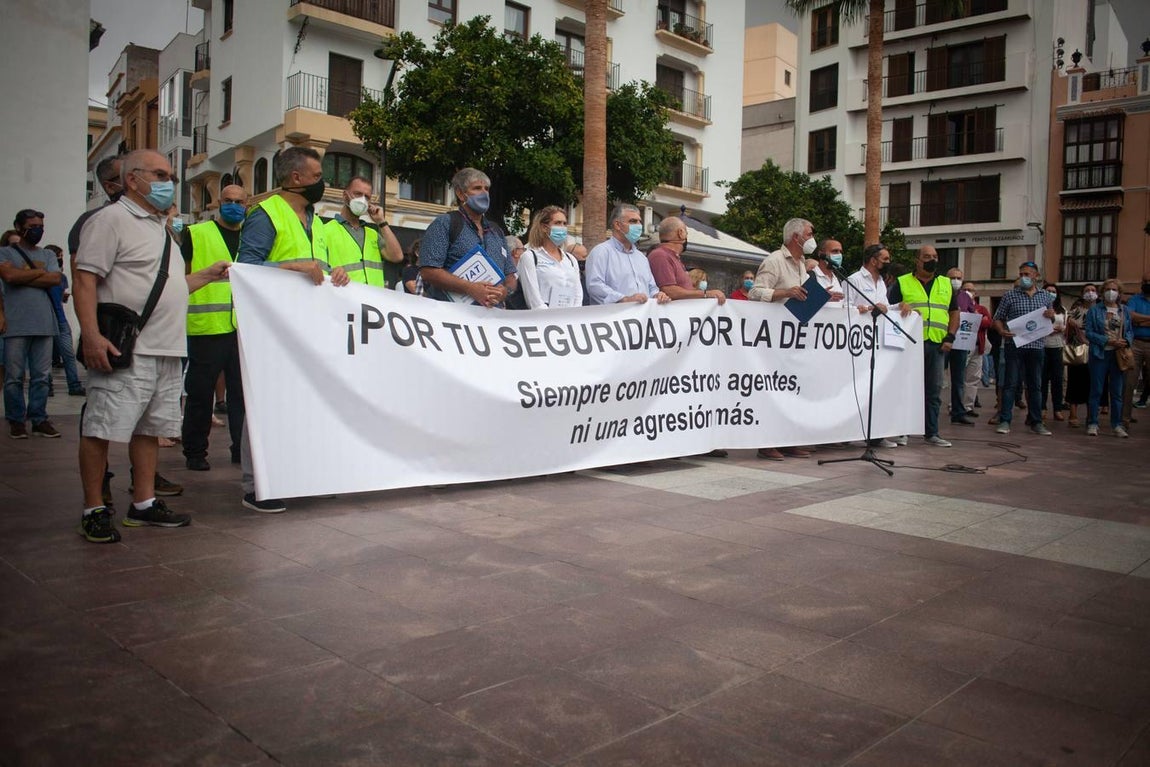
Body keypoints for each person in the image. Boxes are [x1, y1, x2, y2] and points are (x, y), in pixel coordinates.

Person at [74, 150, 231, 543]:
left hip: (168, 349)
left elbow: (172, 286)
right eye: (160, 174)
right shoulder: (110, 221)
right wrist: (91, 335)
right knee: (101, 429)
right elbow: (85, 280)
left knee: (149, 430)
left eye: (170, 177)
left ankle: (143, 503)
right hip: (128, 348)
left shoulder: (163, 230)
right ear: (132, 179)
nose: (168, 182)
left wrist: (207, 276)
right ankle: (94, 507)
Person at [235, 145, 349, 513]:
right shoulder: (265, 214)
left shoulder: (315, 219)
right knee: (266, 405)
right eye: (317, 177)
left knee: (305, 403)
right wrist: (293, 267)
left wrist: (336, 273)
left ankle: (301, 474)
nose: (323, 184)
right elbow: (246, 269)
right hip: (269, 327)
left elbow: (317, 266)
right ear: (296, 178)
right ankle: (257, 487)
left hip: (306, 327)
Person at [179, 184, 248, 472]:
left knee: (242, 395)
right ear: (218, 203)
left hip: (243, 327)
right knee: (200, 393)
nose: (233, 205)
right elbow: (182, 277)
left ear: (247, 206)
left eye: (239, 202)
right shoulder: (196, 233)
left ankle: (240, 449)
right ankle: (195, 451)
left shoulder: (252, 237)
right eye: (227, 201)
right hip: (206, 326)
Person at [748, 218, 818, 459]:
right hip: (772, 339)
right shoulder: (775, 260)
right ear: (796, 237)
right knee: (772, 391)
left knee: (792, 391)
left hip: (794, 338)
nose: (812, 239)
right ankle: (767, 443)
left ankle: (789, 439)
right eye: (809, 234)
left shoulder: (801, 264)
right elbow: (755, 293)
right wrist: (785, 292)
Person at [1, 209, 62, 439]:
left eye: (40, 226)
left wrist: (23, 274)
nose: (37, 230)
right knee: (14, 376)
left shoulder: (46, 254)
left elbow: (55, 278)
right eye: (32, 226)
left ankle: (39, 418)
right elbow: (9, 278)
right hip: (16, 323)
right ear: (19, 227)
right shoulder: (5, 252)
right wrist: (39, 274)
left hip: (44, 323)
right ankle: (17, 420)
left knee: (41, 376)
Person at [890, 245, 960, 447]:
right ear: (917, 260)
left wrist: (950, 337)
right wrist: (900, 307)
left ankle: (932, 432)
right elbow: (891, 309)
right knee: (905, 388)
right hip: (909, 345)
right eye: (927, 256)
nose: (932, 260)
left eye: (935, 256)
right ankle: (902, 430)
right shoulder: (902, 282)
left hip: (937, 344)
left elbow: (954, 312)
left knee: (934, 390)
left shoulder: (946, 283)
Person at [419, 168, 517, 307]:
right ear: (460, 193)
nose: (484, 193)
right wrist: (469, 288)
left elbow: (511, 277)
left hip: (491, 318)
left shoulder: (497, 232)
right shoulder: (445, 223)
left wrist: (504, 292)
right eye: (477, 188)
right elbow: (428, 271)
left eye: (486, 189)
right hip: (454, 316)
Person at [992, 261, 1056, 436]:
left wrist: (1051, 316)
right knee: (1010, 384)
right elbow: (997, 317)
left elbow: (1050, 321)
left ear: (1036, 276)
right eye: (1021, 274)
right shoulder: (1009, 296)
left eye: (1027, 274)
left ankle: (1037, 422)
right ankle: (1005, 420)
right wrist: (1001, 330)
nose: (1024, 278)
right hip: (1014, 345)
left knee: (1035, 385)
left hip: (1036, 346)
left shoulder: (1045, 297)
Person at [323, 176, 404, 288]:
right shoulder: (326, 230)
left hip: (373, 300)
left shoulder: (373, 234)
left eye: (367, 197)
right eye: (357, 194)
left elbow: (397, 256)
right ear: (345, 195)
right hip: (344, 298)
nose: (362, 200)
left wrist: (381, 222)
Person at [585, 204, 670, 306]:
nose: (639, 226)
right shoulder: (601, 252)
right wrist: (623, 299)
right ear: (617, 225)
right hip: (613, 318)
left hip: (641, 318)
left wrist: (657, 295)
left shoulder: (641, 258)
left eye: (640, 222)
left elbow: (651, 287)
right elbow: (594, 286)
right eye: (633, 221)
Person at [1084, 278, 1133, 438]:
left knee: (1117, 392)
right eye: (1108, 289)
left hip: (1118, 355)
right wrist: (1107, 340)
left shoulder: (1124, 311)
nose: (1111, 292)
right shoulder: (1095, 310)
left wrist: (1126, 341)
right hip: (1100, 353)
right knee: (1096, 390)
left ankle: (1117, 424)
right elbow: (1089, 332)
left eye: (1114, 289)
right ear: (1103, 291)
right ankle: (1092, 423)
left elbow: (1130, 331)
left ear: (1119, 293)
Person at [648, 216, 726, 305]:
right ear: (681, 233)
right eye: (686, 233)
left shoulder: (673, 257)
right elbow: (669, 291)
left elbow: (682, 289)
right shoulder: (660, 255)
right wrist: (706, 294)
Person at [516, 206, 583, 309]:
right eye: (557, 223)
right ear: (544, 227)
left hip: (570, 318)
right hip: (544, 319)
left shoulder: (571, 259)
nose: (562, 227)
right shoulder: (530, 257)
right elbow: (534, 300)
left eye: (564, 223)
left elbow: (578, 294)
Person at [44, 244, 85, 397]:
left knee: (68, 354)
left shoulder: (62, 278)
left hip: (60, 318)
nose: (60, 260)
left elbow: (59, 297)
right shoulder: (44, 277)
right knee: (45, 357)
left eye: (61, 257)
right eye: (58, 257)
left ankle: (74, 385)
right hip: (47, 319)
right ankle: (47, 386)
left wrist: (63, 297)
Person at [945, 267, 976, 426]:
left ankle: (958, 412)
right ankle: (927, 412)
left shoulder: (966, 297)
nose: (955, 281)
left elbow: (972, 316)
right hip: (942, 341)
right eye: (952, 278)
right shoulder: (941, 292)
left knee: (958, 379)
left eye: (958, 278)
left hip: (961, 343)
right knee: (935, 379)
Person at [1120, 272, 1150, 428]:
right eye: (1145, 281)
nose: (1147, 283)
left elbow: (1137, 319)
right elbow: (1130, 316)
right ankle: (1124, 419)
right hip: (1136, 344)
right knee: (1129, 383)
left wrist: (1141, 321)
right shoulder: (1135, 299)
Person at [1064, 285, 1096, 427]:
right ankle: (1073, 414)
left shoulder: (1100, 311)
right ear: (1082, 294)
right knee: (1074, 381)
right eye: (1087, 291)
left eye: (1093, 290)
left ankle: (1091, 415)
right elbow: (1069, 327)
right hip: (1077, 350)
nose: (1090, 293)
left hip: (1096, 351)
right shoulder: (1075, 311)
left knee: (1092, 383)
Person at [960, 281, 992, 418]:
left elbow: (987, 322)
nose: (968, 292)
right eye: (965, 289)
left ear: (975, 293)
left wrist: (975, 319)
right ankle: (955, 405)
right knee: (959, 377)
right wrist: (978, 319)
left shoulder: (982, 308)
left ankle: (968, 406)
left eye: (971, 290)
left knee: (973, 378)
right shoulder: (958, 306)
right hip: (962, 345)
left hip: (978, 346)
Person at [1040, 283, 1068, 422]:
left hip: (1057, 346)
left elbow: (1065, 327)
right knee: (1043, 379)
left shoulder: (1062, 309)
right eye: (1048, 291)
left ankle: (1057, 409)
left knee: (1057, 379)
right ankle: (1042, 407)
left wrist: (1060, 329)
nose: (1051, 293)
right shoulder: (1039, 307)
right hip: (1042, 346)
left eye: (1053, 291)